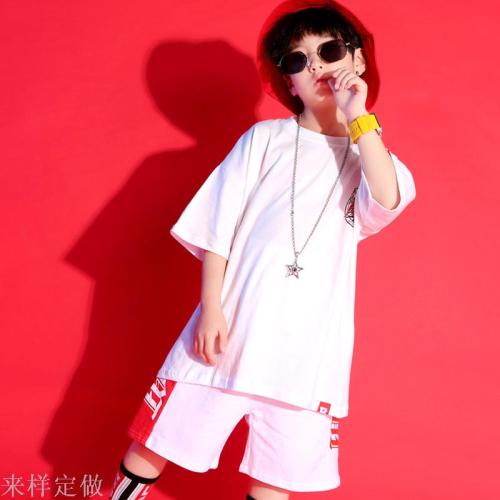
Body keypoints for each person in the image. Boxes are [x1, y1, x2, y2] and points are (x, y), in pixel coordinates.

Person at [109, 1, 417, 498]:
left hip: (308, 358)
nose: (314, 66)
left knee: (276, 481)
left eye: (329, 51)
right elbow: (217, 228)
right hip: (229, 337)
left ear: (357, 59)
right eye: (297, 60)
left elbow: (386, 199)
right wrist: (211, 309)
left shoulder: (370, 156)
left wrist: (358, 116)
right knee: (152, 447)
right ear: (288, 82)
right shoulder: (265, 140)